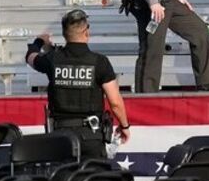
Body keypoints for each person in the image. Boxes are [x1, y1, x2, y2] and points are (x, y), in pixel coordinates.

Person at [26, 9, 131, 159]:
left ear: (64, 35)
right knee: (94, 180)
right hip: (91, 136)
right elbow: (115, 103)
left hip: (60, 138)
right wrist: (124, 126)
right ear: (86, 33)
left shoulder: (52, 59)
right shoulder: (100, 62)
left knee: (64, 180)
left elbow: (30, 57)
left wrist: (39, 41)